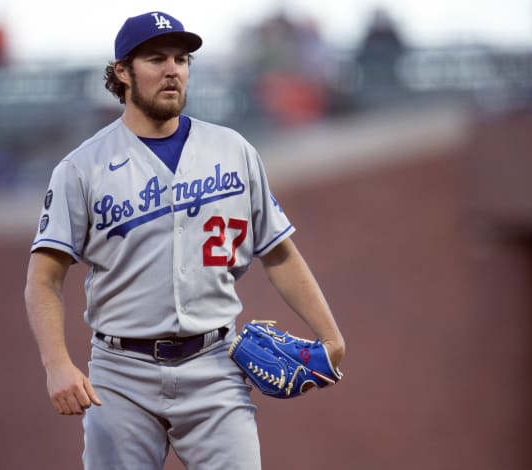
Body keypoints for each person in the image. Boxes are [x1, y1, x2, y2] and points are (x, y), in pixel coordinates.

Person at [24, 11, 345, 470]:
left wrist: (331, 337)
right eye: (156, 58)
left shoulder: (232, 150)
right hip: (121, 373)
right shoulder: (82, 167)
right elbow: (43, 278)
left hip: (214, 365)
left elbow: (279, 252)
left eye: (181, 58)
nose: (172, 69)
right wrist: (57, 363)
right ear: (122, 71)